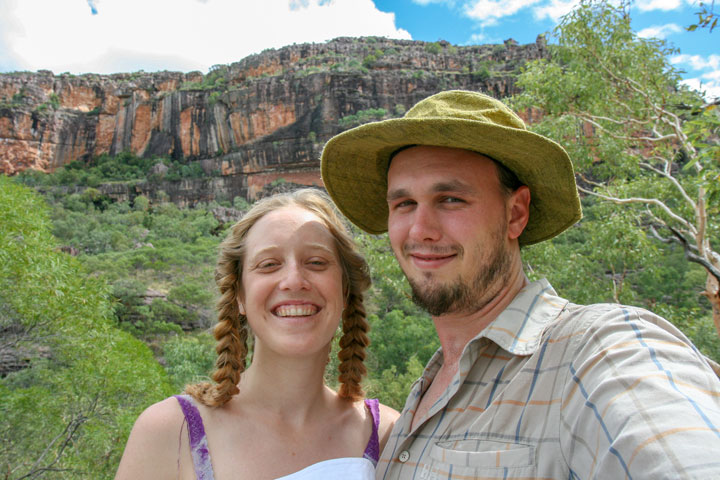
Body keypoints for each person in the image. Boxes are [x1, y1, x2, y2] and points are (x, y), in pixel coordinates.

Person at [320, 90, 720, 479]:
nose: (420, 230)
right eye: (404, 204)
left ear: (516, 213)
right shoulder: (421, 396)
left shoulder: (604, 348)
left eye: (451, 199)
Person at [115, 188, 399, 480]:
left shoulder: (388, 436)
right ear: (239, 294)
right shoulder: (171, 432)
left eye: (316, 262)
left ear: (345, 289)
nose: (293, 281)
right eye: (268, 265)